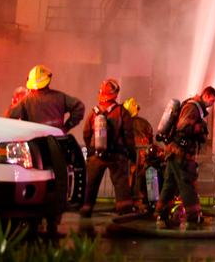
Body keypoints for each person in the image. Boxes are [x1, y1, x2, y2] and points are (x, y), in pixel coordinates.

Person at [155, 85, 215, 229]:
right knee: (187, 184)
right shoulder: (193, 108)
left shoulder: (196, 108)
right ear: (206, 95)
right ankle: (193, 217)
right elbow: (183, 127)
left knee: (169, 185)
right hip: (180, 153)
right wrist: (199, 128)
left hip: (174, 152)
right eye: (212, 101)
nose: (212, 104)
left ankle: (161, 215)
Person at [81, 78, 136, 218]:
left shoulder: (93, 113)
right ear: (115, 94)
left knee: (91, 184)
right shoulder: (122, 112)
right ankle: (125, 212)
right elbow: (129, 136)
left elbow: (86, 133)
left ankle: (86, 209)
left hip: (95, 156)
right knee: (121, 183)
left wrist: (92, 149)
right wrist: (131, 154)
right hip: (117, 156)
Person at [8, 65, 85, 133]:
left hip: (34, 144)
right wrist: (67, 127)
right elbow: (79, 107)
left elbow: (10, 116)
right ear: (47, 80)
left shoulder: (26, 100)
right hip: (56, 142)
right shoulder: (60, 97)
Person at [123, 97, 156, 213]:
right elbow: (151, 139)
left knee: (129, 177)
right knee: (143, 176)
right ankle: (146, 200)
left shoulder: (125, 123)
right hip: (144, 156)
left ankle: (130, 201)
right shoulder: (145, 123)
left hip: (130, 156)